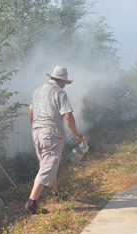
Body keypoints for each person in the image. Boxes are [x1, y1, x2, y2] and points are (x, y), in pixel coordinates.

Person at [25, 66, 84, 214]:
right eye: (65, 82)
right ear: (62, 81)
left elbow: (30, 113)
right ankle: (31, 202)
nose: (65, 85)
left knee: (48, 166)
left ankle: (56, 194)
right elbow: (68, 116)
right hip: (51, 134)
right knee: (47, 167)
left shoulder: (37, 90)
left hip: (37, 133)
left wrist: (36, 129)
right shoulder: (59, 92)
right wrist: (77, 135)